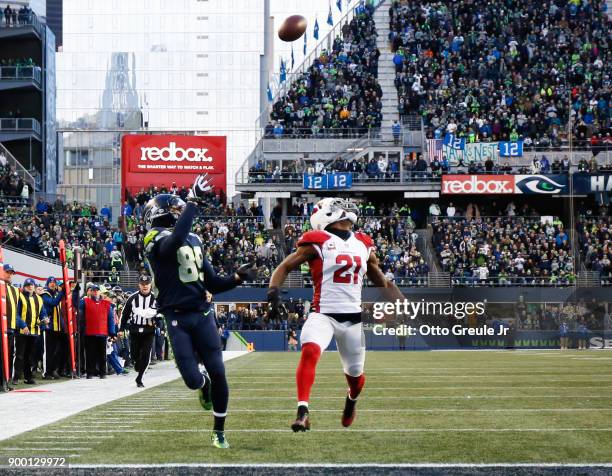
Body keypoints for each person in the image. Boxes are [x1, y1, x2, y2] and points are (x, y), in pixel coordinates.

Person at [267, 198, 404, 432]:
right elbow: (284, 267)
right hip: (323, 314)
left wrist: (402, 304)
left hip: (352, 320)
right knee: (310, 350)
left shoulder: (362, 242)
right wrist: (273, 293)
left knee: (356, 378)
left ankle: (351, 401)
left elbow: (381, 281)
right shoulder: (317, 241)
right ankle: (302, 412)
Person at [142, 175, 257, 449]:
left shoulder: (193, 238)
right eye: (177, 210)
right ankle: (201, 385)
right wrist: (192, 202)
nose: (181, 213)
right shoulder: (153, 238)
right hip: (177, 316)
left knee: (219, 371)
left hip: (203, 313)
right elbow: (174, 242)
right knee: (194, 380)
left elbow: (212, 282)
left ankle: (219, 431)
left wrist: (237, 279)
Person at [119, 274, 158, 387]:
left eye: (147, 284)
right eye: (142, 284)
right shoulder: (132, 298)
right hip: (135, 329)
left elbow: (160, 312)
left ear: (151, 285)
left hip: (149, 330)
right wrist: (121, 328)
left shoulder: (155, 298)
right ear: (139, 285)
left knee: (146, 353)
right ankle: (136, 362)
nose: (145, 286)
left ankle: (139, 378)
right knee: (135, 354)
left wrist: (156, 321)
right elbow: (125, 314)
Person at [14, 278, 48, 385]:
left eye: (31, 285)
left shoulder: (39, 298)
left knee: (30, 356)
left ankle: (28, 377)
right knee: (19, 355)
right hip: (22, 331)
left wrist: (45, 319)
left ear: (34, 286)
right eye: (28, 285)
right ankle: (16, 377)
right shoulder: (19, 297)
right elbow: (16, 314)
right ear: (24, 287)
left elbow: (43, 313)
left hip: (34, 331)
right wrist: (23, 325)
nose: (30, 287)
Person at [79, 285, 116, 379]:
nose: (95, 292)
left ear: (100, 292)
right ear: (90, 292)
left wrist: (112, 333)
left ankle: (102, 373)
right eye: (93, 290)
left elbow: (111, 319)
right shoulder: (84, 302)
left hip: (102, 333)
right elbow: (77, 309)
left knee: (102, 355)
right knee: (90, 354)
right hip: (89, 332)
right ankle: (90, 373)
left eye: (97, 291)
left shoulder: (107, 303)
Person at [41, 277, 65, 380]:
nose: (52, 284)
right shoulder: (45, 294)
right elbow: (53, 303)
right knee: (48, 351)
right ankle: (46, 372)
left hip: (57, 327)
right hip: (48, 327)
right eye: (50, 282)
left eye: (54, 282)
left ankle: (53, 370)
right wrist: (62, 291)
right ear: (47, 284)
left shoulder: (56, 294)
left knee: (57, 351)